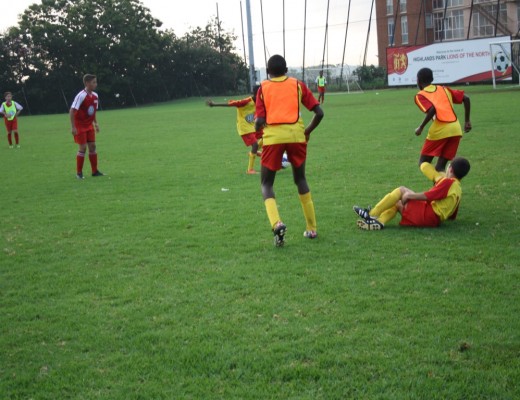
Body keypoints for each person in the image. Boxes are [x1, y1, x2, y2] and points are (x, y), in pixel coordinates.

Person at [255, 54, 324, 247]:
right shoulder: (297, 85)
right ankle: (312, 228)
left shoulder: (263, 88)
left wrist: (258, 132)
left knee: (266, 184)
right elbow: (319, 113)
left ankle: (277, 223)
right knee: (300, 179)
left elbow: (259, 120)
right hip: (296, 136)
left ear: (268, 72)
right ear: (286, 70)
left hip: (273, 139)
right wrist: (306, 131)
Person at [353, 157, 471, 230]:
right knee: (398, 201)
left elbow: (429, 196)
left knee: (401, 190)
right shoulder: (458, 188)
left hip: (428, 216)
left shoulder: (448, 182)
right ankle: (379, 222)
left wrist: (409, 195)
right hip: (433, 219)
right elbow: (453, 213)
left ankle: (371, 214)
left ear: (450, 169)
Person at [414, 67, 471, 172]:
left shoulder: (420, 95)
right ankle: (445, 183)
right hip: (455, 129)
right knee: (440, 168)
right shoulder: (444, 89)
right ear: (432, 79)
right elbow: (466, 98)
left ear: (418, 80)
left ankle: (441, 182)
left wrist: (421, 127)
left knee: (423, 163)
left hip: (440, 129)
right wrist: (467, 121)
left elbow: (432, 109)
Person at [206, 86, 263, 174]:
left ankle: (254, 152)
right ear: (257, 93)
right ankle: (250, 170)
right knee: (255, 145)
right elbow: (231, 104)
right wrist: (214, 104)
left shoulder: (260, 101)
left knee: (266, 136)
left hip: (253, 126)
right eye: (262, 93)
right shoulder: (246, 101)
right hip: (244, 127)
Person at [70, 74, 104, 179]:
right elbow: (72, 111)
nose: (95, 84)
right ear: (87, 83)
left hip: (89, 126)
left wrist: (96, 123)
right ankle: (79, 173)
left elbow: (93, 112)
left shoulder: (95, 96)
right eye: (93, 82)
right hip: (80, 125)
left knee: (92, 146)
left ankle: (95, 171)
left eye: (96, 82)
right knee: (83, 147)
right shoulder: (81, 95)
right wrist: (73, 127)